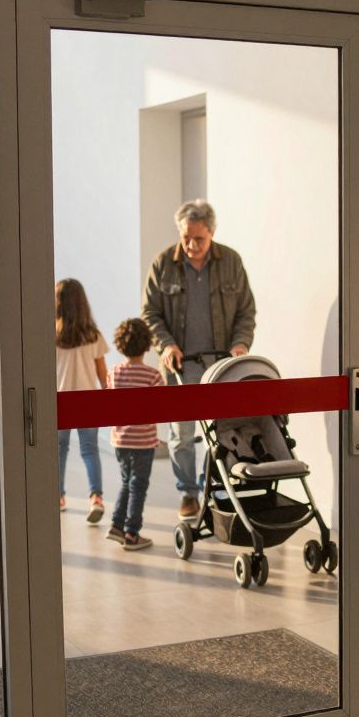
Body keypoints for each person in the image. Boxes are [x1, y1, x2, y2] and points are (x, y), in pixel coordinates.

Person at [140, 199, 257, 519]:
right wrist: (166, 345)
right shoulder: (163, 263)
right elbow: (150, 313)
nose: (191, 245)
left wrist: (240, 344)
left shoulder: (231, 261)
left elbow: (246, 311)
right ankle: (188, 493)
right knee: (181, 436)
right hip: (181, 366)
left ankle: (212, 488)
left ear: (212, 232)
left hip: (222, 365)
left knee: (220, 433)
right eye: (186, 237)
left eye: (199, 238)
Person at [105, 318, 163, 551]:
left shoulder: (114, 373)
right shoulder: (153, 376)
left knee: (126, 481)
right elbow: (161, 407)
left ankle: (116, 525)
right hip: (143, 441)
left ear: (120, 344)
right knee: (138, 486)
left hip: (120, 440)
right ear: (147, 344)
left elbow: (109, 403)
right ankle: (131, 534)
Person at [54, 278, 108, 523]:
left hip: (60, 400)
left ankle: (58, 496)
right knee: (90, 450)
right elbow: (101, 371)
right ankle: (96, 497)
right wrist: (107, 394)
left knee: (58, 450)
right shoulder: (93, 335)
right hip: (88, 400)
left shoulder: (51, 335)